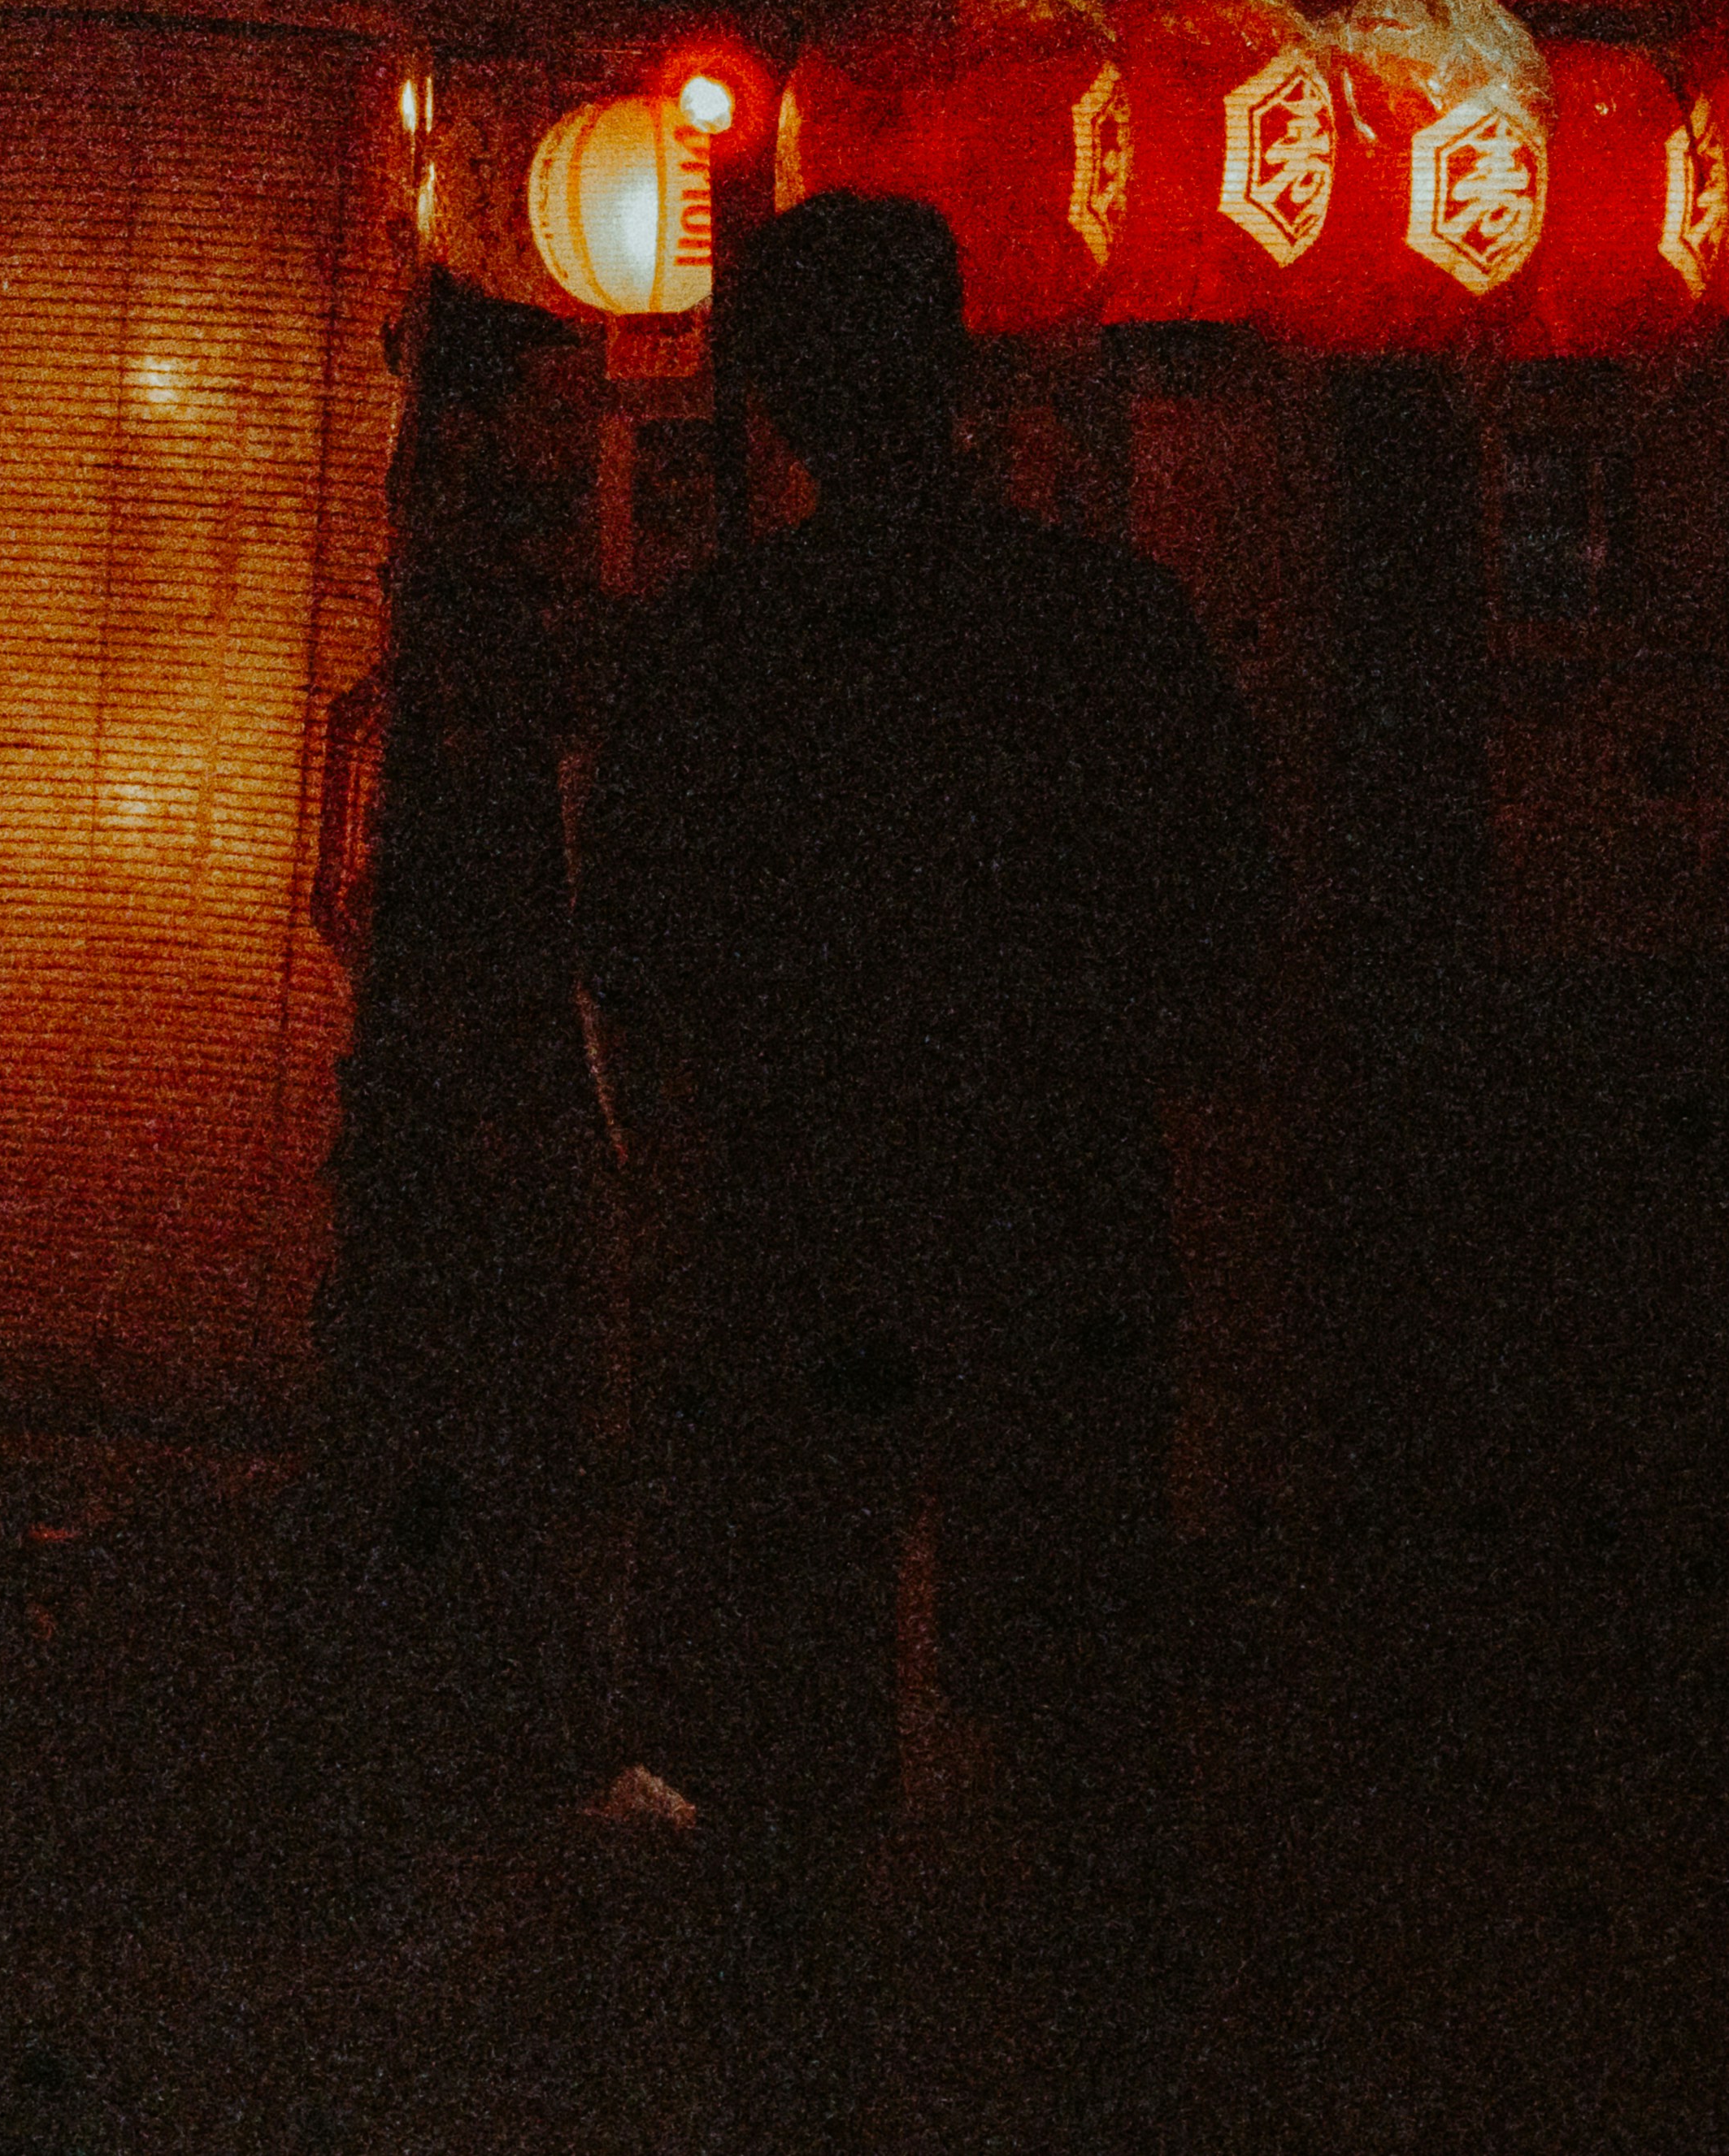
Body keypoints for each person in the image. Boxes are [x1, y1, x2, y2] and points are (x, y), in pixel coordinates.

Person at [576, 190, 1266, 2143]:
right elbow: (1221, 923)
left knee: (793, 1720)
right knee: (1086, 1700)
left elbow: (633, 947)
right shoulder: (1102, 624)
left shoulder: (719, 646)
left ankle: (794, 2085)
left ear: (783, 398)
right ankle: (1110, 2075)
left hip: (798, 1220)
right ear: (950, 365)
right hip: (1053, 1200)